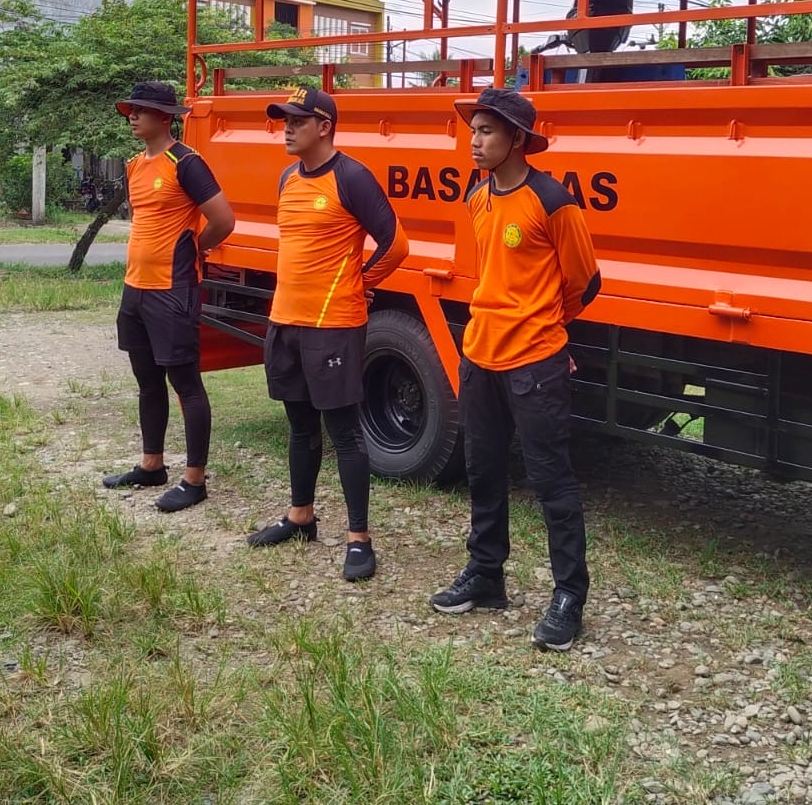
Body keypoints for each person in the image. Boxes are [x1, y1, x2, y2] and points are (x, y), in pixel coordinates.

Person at [428, 88, 601, 651]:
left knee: (551, 480)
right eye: (473, 130)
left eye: (486, 132)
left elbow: (585, 282)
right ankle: (486, 575)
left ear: (518, 139)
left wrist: (544, 324)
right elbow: (493, 279)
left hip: (535, 362)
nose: (474, 142)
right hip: (480, 354)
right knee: (482, 469)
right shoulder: (477, 199)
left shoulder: (552, 201)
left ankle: (569, 596)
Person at [246, 86, 408, 581]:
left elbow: (395, 244)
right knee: (299, 426)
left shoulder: (352, 177)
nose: (287, 129)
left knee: (344, 432)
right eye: (284, 120)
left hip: (333, 325)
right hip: (287, 320)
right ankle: (301, 516)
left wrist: (361, 283)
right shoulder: (287, 178)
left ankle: (359, 538)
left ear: (325, 127)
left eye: (297, 120)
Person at [102, 82, 235, 512]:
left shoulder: (187, 163)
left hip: (172, 290)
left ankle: (194, 480)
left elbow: (223, 218)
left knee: (186, 385)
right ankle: (151, 465)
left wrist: (197, 248)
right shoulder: (135, 165)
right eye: (130, 110)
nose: (132, 117)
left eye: (141, 110)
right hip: (136, 287)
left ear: (165, 117)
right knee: (146, 381)